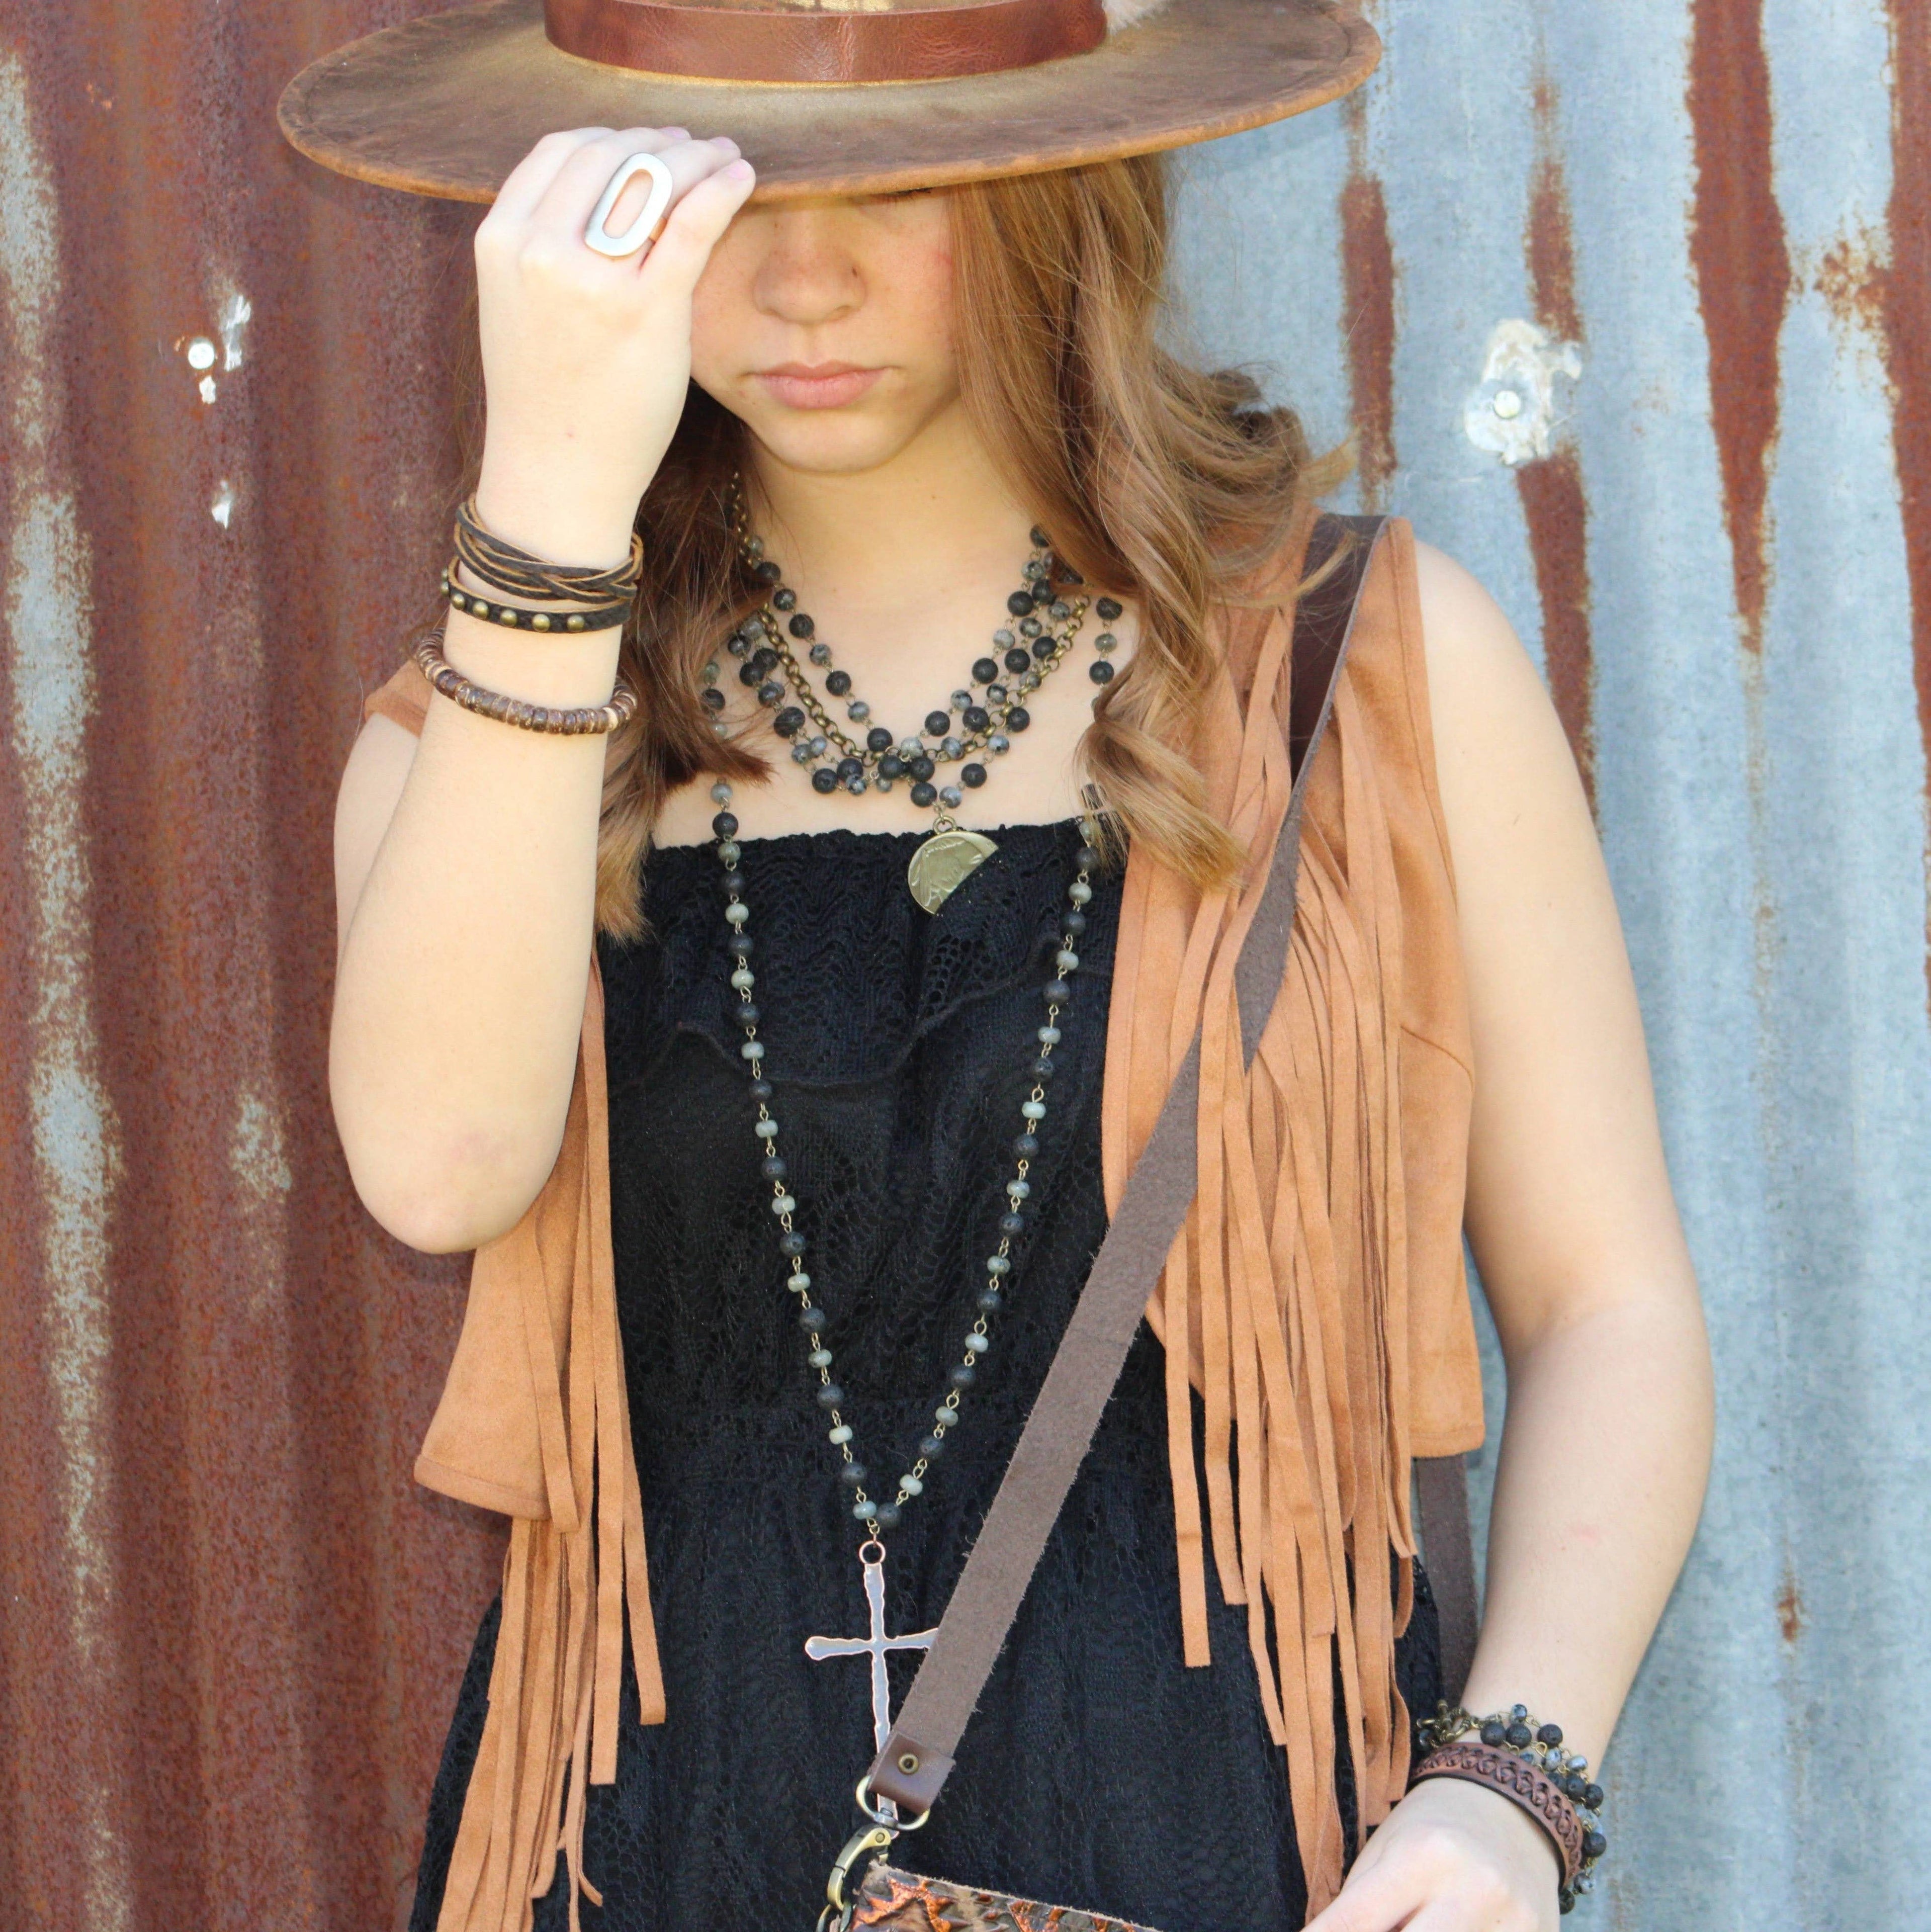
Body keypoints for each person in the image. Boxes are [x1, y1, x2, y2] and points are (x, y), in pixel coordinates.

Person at [291, 6, 1713, 1931]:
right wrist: (546, 504)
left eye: (895, 182)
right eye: (725, 192)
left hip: (1247, 1863)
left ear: (1069, 180)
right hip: (644, 1861)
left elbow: (1609, 1304)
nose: (806, 273)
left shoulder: (1365, 673)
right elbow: (439, 1164)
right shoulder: (500, 734)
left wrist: (1507, 1796)